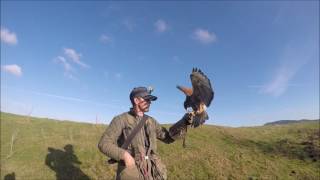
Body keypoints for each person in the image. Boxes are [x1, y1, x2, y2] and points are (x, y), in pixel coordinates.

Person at [98, 86, 192, 180]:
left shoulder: (151, 121)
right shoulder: (121, 120)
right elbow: (104, 143)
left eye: (150, 100)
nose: (149, 102)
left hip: (153, 172)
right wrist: (125, 156)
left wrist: (184, 121)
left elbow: (168, 138)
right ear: (136, 100)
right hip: (132, 172)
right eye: (146, 99)